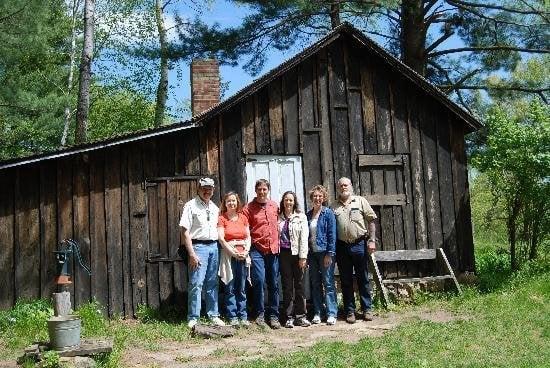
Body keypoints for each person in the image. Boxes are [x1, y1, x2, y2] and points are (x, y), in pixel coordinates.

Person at [180, 177, 225, 329]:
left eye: (210, 188)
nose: (207, 191)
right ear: (198, 189)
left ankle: (213, 315)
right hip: (198, 247)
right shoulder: (190, 205)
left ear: (213, 190)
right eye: (204, 188)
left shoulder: (214, 207)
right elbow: (185, 232)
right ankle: (193, 317)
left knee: (213, 283)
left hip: (214, 247)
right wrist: (192, 254)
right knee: (196, 284)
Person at [332, 177, 377, 324]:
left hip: (359, 244)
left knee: (363, 278)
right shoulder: (333, 206)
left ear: (351, 186)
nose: (343, 187)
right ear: (338, 188)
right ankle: (350, 311)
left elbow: (371, 221)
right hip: (342, 247)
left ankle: (367, 309)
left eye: (346, 185)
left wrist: (372, 240)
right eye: (341, 185)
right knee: (345, 280)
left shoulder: (360, 201)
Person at [243, 179, 281, 329]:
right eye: (259, 189)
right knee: (258, 281)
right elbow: (244, 227)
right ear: (255, 190)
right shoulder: (248, 208)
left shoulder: (274, 206)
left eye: (264, 189)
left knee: (273, 283)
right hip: (257, 249)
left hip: (273, 249)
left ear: (268, 190)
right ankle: (259, 313)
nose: (262, 192)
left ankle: (274, 315)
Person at [217, 191, 251, 327]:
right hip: (229, 256)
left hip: (242, 256)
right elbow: (221, 238)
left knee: (241, 287)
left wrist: (246, 251)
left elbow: (248, 236)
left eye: (233, 201)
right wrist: (233, 252)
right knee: (229, 286)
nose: (231, 203)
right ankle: (232, 316)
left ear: (237, 202)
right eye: (228, 201)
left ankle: (243, 316)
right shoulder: (222, 219)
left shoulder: (243, 218)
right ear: (225, 204)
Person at [306, 185, 338, 326]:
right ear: (311, 198)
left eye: (320, 196)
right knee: (315, 283)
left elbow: (332, 235)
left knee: (328, 283)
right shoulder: (308, 215)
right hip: (312, 254)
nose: (317, 198)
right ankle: (318, 312)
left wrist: (329, 254)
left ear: (323, 198)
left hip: (325, 253)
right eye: (315, 196)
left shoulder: (328, 213)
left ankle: (332, 313)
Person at [278, 191, 310, 328]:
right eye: (286, 200)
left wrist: (303, 257)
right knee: (287, 287)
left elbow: (304, 237)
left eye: (290, 200)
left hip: (297, 254)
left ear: (294, 202)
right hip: (283, 255)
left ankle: (301, 316)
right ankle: (288, 317)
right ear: (283, 202)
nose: (288, 202)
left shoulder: (301, 217)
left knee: (300, 285)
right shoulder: (278, 217)